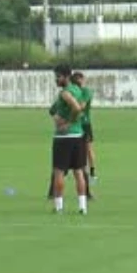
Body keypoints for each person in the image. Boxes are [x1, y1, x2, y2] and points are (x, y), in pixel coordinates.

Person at [50, 64, 89, 215]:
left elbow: (76, 108)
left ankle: (59, 207)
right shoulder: (77, 90)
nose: (56, 79)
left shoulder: (65, 93)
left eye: (58, 76)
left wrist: (67, 123)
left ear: (66, 77)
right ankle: (82, 207)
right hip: (78, 136)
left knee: (59, 172)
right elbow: (81, 106)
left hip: (64, 138)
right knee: (78, 171)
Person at [72, 71, 97, 183]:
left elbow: (82, 106)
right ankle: (83, 173)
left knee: (88, 149)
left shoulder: (85, 91)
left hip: (84, 123)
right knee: (77, 150)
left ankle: (92, 172)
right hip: (75, 123)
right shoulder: (73, 91)